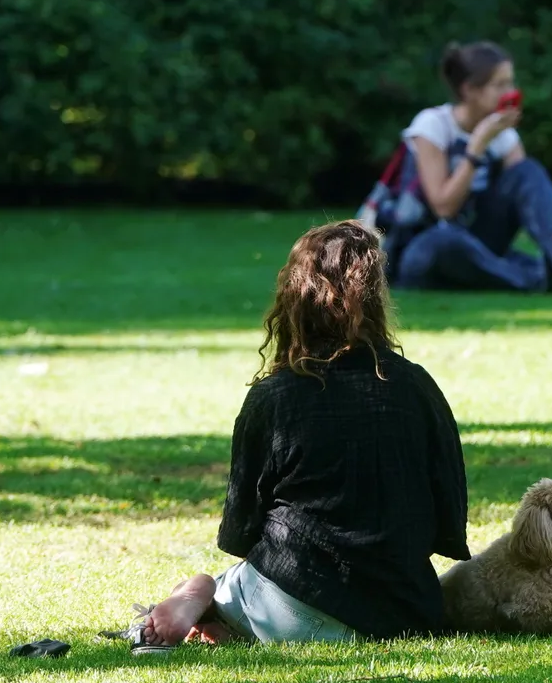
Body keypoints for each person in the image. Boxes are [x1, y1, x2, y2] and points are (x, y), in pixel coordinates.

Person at [109, 220, 471, 651]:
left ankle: (206, 596)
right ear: (375, 300)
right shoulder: (417, 387)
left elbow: (240, 531)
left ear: (295, 298)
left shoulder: (275, 396)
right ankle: (219, 605)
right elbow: (449, 520)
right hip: (404, 613)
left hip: (291, 607)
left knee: (238, 582)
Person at [372, 40, 552, 296]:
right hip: (420, 248)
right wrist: (476, 147)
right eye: (500, 85)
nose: (510, 92)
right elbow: (443, 208)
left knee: (527, 169)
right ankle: (540, 278)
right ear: (469, 90)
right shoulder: (432, 126)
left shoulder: (503, 136)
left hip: (478, 240)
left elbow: (531, 189)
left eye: (511, 83)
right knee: (444, 242)